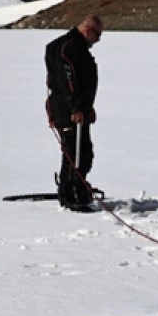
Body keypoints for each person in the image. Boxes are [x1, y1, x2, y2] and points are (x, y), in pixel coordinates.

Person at [45, 13, 102, 211]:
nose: (98, 40)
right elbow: (66, 80)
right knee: (73, 152)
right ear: (87, 29)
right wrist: (75, 108)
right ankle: (69, 194)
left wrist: (87, 107)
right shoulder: (67, 47)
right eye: (97, 35)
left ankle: (78, 186)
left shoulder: (75, 47)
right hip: (66, 109)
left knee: (84, 151)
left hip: (77, 108)